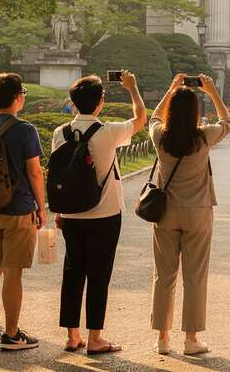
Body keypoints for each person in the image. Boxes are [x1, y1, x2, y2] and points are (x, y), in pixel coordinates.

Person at [50, 72, 146, 355]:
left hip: (71, 215)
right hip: (104, 214)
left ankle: (72, 336)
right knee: (99, 276)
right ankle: (95, 339)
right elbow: (140, 119)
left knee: (72, 271)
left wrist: (59, 209)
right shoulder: (108, 132)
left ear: (74, 103)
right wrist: (132, 87)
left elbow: (58, 174)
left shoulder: (60, 133)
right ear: (100, 103)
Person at [148, 73, 230, 356]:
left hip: (166, 212)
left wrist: (170, 90)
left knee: (164, 275)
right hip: (197, 212)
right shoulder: (203, 137)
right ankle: (191, 339)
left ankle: (162, 338)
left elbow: (153, 119)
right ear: (196, 113)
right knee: (195, 276)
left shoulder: (161, 137)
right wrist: (211, 92)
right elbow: (227, 122)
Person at [0, 73, 47, 352]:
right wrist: (41, 208)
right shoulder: (25, 130)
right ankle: (13, 334)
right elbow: (34, 172)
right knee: (13, 272)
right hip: (18, 209)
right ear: (18, 97)